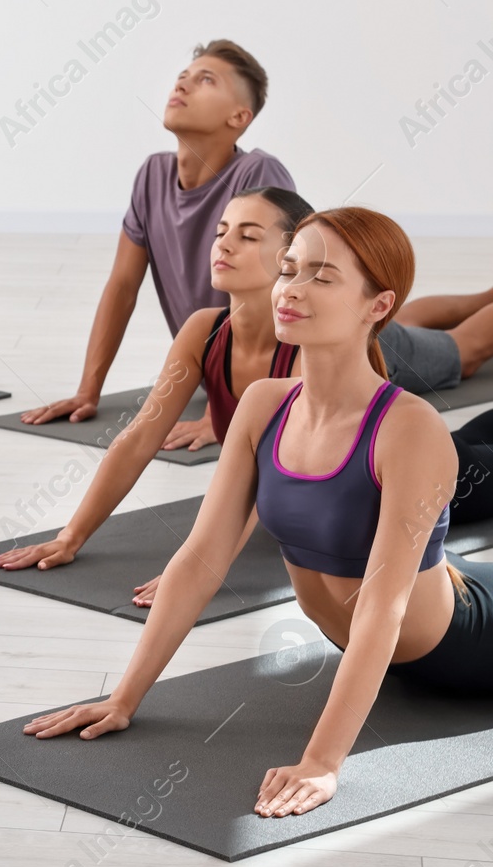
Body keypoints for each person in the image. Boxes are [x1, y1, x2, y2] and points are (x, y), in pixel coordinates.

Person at [25, 207, 492, 820]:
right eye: (289, 270)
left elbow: (384, 606)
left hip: (469, 645)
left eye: (322, 278)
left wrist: (323, 764)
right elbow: (199, 559)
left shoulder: (409, 428)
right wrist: (124, 698)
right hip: (425, 602)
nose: (292, 290)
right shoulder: (264, 405)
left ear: (378, 306)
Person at [0, 187, 493, 608]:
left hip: (403, 389)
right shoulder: (205, 331)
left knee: (464, 350)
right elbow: (140, 436)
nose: (224, 245)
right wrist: (71, 535)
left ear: (289, 254)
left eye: (248, 236)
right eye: (221, 232)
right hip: (371, 356)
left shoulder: (305, 348)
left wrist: (199, 571)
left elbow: (267, 477)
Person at [20, 40, 296, 444]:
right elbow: (122, 286)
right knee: (416, 326)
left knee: (415, 350)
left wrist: (228, 414)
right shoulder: (153, 175)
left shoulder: (257, 173)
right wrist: (88, 390)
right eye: (183, 76)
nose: (182, 85)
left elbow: (282, 288)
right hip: (225, 373)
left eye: (205, 80)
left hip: (326, 358)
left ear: (239, 116)